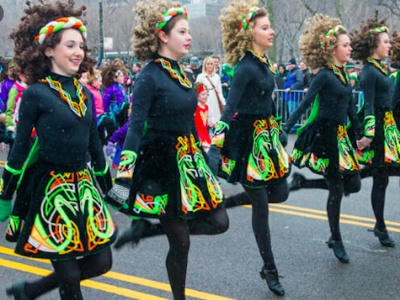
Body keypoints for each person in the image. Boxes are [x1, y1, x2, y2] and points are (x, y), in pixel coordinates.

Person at [104, 2, 229, 299]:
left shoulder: (185, 74)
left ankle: (146, 231)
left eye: (188, 31)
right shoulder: (148, 76)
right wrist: (123, 177)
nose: (189, 37)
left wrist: (206, 159)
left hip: (189, 161)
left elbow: (188, 123)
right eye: (182, 31)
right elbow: (135, 128)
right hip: (161, 166)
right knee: (181, 242)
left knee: (219, 222)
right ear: (162, 35)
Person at [1, 1, 116, 299]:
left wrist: (111, 190)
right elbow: (21, 149)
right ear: (49, 50)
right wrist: (5, 195)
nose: (79, 51)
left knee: (103, 261)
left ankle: (31, 290)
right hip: (49, 191)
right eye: (70, 45)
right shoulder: (36, 95)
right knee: (69, 277)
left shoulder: (86, 94)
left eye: (81, 46)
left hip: (85, 190)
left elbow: (95, 147)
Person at [210, 1, 290, 296]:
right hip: (247, 143)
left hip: (267, 140)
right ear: (249, 33)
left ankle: (232, 201)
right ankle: (269, 268)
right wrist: (217, 147)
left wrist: (278, 128)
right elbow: (229, 108)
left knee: (281, 192)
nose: (272, 31)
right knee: (262, 207)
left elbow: (267, 100)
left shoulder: (263, 63)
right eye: (265, 27)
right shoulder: (245, 67)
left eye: (270, 26)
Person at [284, 14, 362, 263]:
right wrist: (285, 127)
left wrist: (359, 134)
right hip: (325, 137)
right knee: (337, 189)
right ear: (332, 49)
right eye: (346, 45)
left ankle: (303, 184)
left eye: (349, 45)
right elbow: (306, 102)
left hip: (340, 137)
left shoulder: (344, 75)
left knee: (354, 184)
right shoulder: (325, 76)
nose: (350, 48)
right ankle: (336, 239)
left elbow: (350, 108)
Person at [351, 14, 400, 247]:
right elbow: (368, 104)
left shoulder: (380, 69)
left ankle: (380, 225)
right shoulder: (370, 72)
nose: (390, 45)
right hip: (379, 130)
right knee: (381, 180)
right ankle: (380, 226)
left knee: (384, 178)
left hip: (388, 128)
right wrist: (369, 134)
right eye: (385, 41)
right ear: (374, 46)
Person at [196, 56, 225, 125]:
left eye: (211, 64)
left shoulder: (217, 77)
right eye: (208, 64)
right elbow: (197, 91)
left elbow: (219, 91)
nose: (209, 66)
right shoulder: (200, 76)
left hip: (215, 100)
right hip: (205, 100)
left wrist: (223, 103)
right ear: (204, 65)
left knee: (216, 121)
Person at [282, 57, 303, 131]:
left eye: (290, 64)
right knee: (290, 111)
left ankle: (294, 127)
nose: (289, 66)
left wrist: (291, 88)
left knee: (293, 111)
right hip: (289, 96)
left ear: (294, 64)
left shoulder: (298, 72)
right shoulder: (290, 72)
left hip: (294, 95)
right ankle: (292, 126)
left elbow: (300, 82)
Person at [193, 82, 212, 151]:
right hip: (197, 135)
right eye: (203, 94)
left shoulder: (207, 107)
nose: (206, 96)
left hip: (205, 135)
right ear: (197, 95)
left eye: (207, 94)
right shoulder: (195, 107)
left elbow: (211, 121)